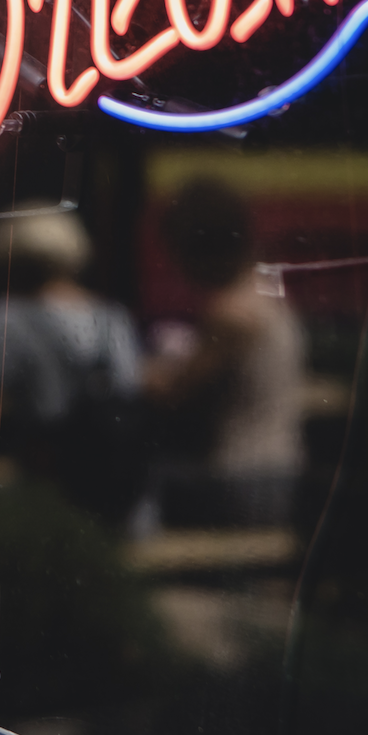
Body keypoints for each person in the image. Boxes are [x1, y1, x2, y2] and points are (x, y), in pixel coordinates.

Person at [0, 203, 146, 520]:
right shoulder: (113, 318)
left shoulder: (6, 319)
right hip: (113, 486)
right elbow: (130, 387)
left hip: (41, 483)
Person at [143, 175, 305, 529]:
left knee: (140, 483)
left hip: (239, 478)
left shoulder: (230, 314)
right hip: (281, 470)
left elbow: (174, 392)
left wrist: (133, 372)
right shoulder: (268, 295)